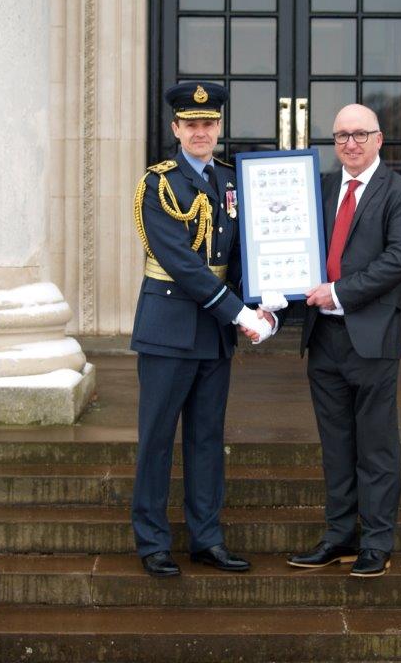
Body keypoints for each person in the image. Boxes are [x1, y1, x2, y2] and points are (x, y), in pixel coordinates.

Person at [131, 81, 274, 577]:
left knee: (207, 438)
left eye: (209, 123)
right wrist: (239, 313)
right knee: (156, 439)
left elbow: (239, 255)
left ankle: (206, 538)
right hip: (169, 328)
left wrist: (265, 301)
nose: (201, 131)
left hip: (212, 334)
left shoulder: (230, 181)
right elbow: (182, 263)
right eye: (191, 124)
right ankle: (152, 541)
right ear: (175, 128)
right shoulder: (157, 184)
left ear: (219, 127)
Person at [287, 103, 401, 578]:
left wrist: (339, 292)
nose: (350, 143)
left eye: (360, 134)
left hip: (372, 337)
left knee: (377, 446)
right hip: (323, 337)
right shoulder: (321, 189)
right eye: (341, 135)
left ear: (379, 139)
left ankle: (377, 541)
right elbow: (294, 248)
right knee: (336, 444)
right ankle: (339, 536)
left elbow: (400, 259)